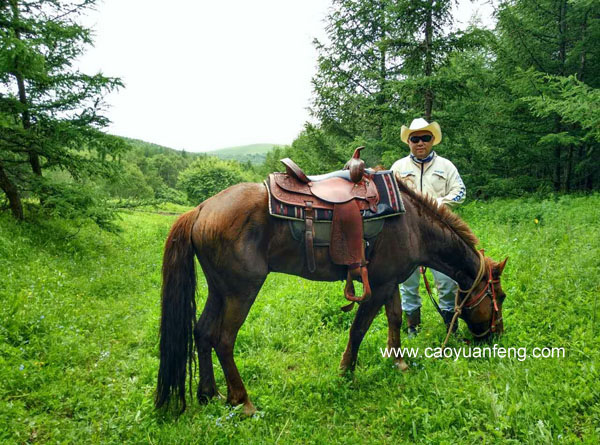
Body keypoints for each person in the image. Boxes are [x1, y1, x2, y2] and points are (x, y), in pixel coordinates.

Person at [390, 118, 466, 337]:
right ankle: (413, 325)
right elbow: (389, 196)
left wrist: (441, 204)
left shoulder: (446, 166)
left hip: (439, 233)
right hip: (407, 233)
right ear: (409, 142)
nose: (420, 142)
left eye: (425, 138)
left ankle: (451, 326)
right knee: (407, 280)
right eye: (415, 138)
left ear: (433, 140)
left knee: (446, 280)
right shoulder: (398, 167)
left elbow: (460, 191)